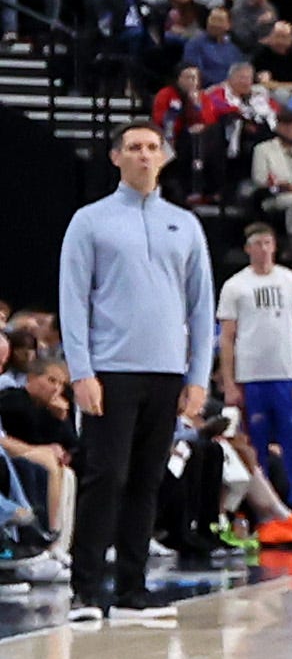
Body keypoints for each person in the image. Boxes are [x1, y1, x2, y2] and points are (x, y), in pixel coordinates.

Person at [56, 123, 214, 623]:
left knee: (148, 480)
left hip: (167, 372)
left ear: (163, 158)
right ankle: (85, 590)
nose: (144, 156)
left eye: (152, 148)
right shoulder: (90, 221)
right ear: (116, 158)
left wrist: (197, 378)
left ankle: (131, 590)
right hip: (110, 371)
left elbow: (201, 307)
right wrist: (81, 371)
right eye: (134, 148)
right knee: (106, 477)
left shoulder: (185, 224)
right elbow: (73, 300)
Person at [217, 225, 292, 513]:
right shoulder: (235, 286)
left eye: (268, 242)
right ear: (247, 249)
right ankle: (264, 512)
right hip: (251, 377)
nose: (263, 249)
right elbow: (227, 338)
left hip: (285, 375)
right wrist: (230, 383)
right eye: (257, 243)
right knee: (254, 447)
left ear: (275, 246)